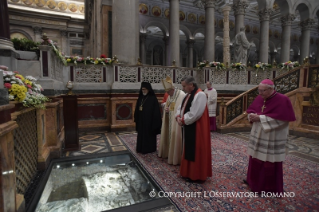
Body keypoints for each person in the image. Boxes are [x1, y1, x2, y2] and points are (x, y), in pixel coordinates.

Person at [244, 79, 296, 194]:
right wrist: (251, 116)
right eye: (259, 90)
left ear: (271, 89)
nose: (260, 93)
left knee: (268, 161)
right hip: (259, 133)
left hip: (272, 136)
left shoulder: (283, 100)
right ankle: (252, 181)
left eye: (262, 91)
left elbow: (283, 120)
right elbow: (252, 110)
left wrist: (260, 118)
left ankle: (267, 188)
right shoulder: (260, 98)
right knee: (255, 157)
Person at [175, 76, 212, 181]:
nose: (183, 88)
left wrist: (183, 120)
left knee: (196, 150)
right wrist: (178, 116)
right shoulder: (188, 95)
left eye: (184, 86)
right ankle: (188, 173)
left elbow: (195, 114)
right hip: (189, 125)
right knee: (188, 149)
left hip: (197, 128)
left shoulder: (200, 95)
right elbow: (180, 107)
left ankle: (197, 176)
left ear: (191, 85)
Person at [158, 76, 186, 165]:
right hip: (170, 120)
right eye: (167, 92)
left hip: (178, 122)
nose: (168, 94)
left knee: (176, 137)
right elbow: (168, 106)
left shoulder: (181, 95)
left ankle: (177, 157)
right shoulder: (170, 96)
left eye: (169, 91)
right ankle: (168, 154)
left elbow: (182, 109)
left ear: (172, 89)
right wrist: (166, 110)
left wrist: (171, 111)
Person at [134, 82, 162, 154]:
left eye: (145, 89)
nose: (143, 91)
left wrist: (155, 122)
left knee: (149, 135)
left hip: (150, 122)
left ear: (149, 89)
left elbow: (156, 112)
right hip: (141, 121)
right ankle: (140, 148)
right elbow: (137, 108)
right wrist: (136, 118)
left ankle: (149, 149)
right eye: (142, 89)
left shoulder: (153, 98)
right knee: (141, 134)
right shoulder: (140, 97)